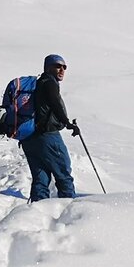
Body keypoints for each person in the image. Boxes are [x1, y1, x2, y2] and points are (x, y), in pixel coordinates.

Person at [21, 54, 80, 200]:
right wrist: (67, 123)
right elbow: (54, 102)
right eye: (57, 66)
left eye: (64, 67)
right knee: (63, 174)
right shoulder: (49, 83)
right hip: (47, 136)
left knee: (40, 179)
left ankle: (36, 213)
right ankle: (69, 212)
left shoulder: (38, 84)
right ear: (48, 67)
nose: (61, 70)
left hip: (29, 138)